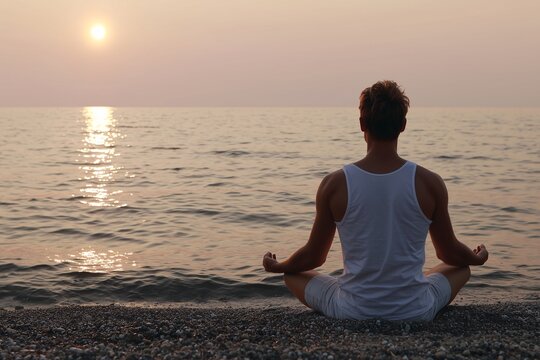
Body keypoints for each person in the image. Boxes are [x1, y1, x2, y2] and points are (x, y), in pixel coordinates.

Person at [262, 80, 489, 321]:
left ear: (362, 124)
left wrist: (279, 266)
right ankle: (407, 292)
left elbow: (314, 257)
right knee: (461, 268)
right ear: (403, 125)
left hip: (351, 310)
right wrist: (477, 258)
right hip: (416, 311)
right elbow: (449, 253)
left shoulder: (335, 184)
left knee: (292, 275)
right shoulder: (429, 183)